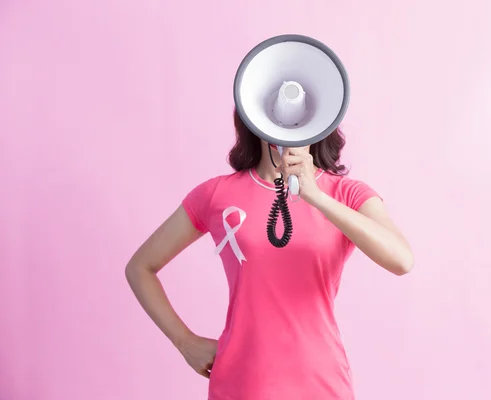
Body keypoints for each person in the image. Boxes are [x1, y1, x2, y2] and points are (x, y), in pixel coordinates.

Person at [125, 109, 414, 400]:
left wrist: (314, 195)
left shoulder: (346, 194)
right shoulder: (216, 194)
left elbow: (401, 260)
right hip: (241, 383)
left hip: (321, 382)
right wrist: (184, 341)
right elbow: (141, 267)